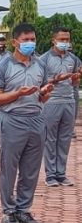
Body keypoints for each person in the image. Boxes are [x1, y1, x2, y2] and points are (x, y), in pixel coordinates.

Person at [0, 23, 53, 223]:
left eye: (32, 39)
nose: (30, 43)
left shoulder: (40, 65)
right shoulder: (3, 66)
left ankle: (24, 209)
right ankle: (8, 211)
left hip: (36, 119)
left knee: (31, 169)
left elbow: (41, 97)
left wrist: (44, 94)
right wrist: (18, 93)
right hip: (12, 120)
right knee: (9, 167)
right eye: (25, 40)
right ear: (14, 42)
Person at [40, 27, 80, 187]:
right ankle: (50, 175)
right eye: (62, 39)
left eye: (67, 39)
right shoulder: (44, 59)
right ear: (54, 40)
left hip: (69, 101)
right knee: (50, 138)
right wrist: (56, 79)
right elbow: (41, 82)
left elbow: (75, 82)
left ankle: (61, 173)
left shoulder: (74, 59)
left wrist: (76, 78)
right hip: (52, 102)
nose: (65, 42)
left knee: (65, 139)